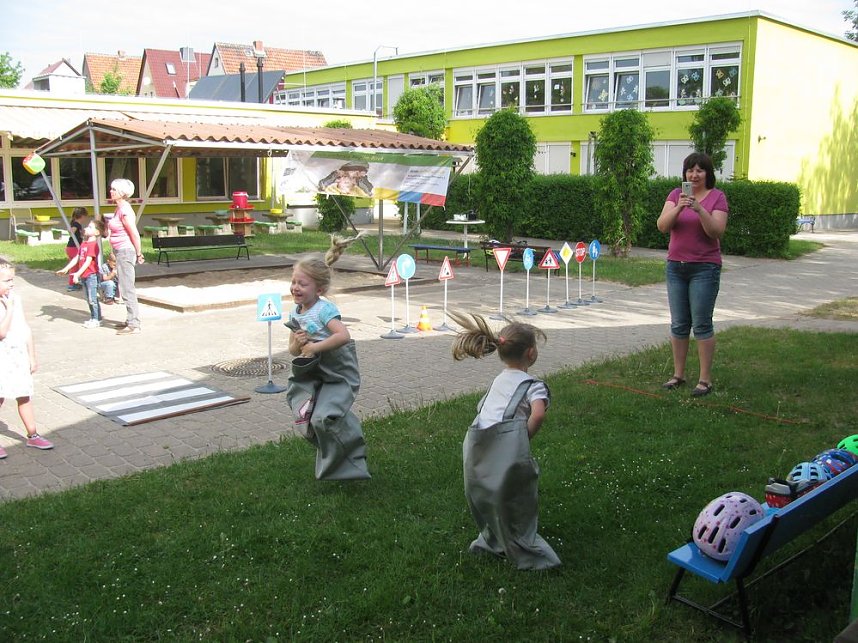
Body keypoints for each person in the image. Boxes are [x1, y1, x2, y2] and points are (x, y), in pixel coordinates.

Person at [449, 311, 561, 570]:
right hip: (506, 454)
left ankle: (492, 539)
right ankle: (526, 549)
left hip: (476, 451)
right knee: (517, 499)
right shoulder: (533, 385)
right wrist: (525, 438)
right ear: (531, 354)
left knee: (490, 499)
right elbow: (539, 413)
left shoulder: (498, 380)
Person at [284, 233, 370, 481]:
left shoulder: (324, 310)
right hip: (312, 374)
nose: (295, 288)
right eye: (293, 282)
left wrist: (315, 347)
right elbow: (292, 350)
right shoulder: (296, 312)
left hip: (337, 373)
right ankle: (337, 451)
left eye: (302, 283)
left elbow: (343, 336)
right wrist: (300, 344)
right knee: (307, 419)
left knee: (325, 418)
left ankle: (351, 463)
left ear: (319, 289)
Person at [656, 152, 729, 398]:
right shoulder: (676, 195)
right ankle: (678, 375)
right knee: (679, 324)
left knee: (701, 324)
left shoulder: (717, 197)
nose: (694, 175)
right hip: (676, 267)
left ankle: (705, 380)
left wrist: (699, 209)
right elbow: (662, 226)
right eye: (690, 170)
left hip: (704, 269)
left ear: (708, 174)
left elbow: (716, 231)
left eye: (699, 170)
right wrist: (679, 207)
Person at [0, 260, 54, 458]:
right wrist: (9, 308)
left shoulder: (15, 298)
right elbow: (2, 332)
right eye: (6, 281)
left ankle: (33, 435)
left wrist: (32, 356)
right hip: (2, 358)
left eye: (12, 280)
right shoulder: (8, 303)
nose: (11, 284)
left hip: (18, 356)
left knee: (24, 395)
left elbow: (24, 328)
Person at [104, 178, 144, 335]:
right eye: (111, 188)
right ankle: (129, 319)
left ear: (122, 193)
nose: (111, 191)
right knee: (123, 286)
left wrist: (139, 252)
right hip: (119, 250)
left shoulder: (125, 210)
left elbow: (134, 233)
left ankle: (134, 324)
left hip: (126, 251)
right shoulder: (118, 208)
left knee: (127, 288)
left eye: (114, 189)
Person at [56, 219, 105, 329]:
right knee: (89, 298)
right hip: (85, 275)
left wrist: (77, 273)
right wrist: (66, 269)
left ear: (97, 232)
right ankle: (95, 317)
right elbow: (77, 258)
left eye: (90, 227)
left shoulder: (93, 245)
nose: (86, 228)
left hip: (91, 275)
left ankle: (96, 319)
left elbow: (88, 261)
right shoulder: (84, 243)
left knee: (92, 299)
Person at [64, 207, 87, 291]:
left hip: (71, 247)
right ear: (82, 216)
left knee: (73, 265)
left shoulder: (75, 223)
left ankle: (74, 282)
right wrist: (72, 231)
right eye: (85, 216)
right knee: (75, 266)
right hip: (74, 247)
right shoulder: (76, 224)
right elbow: (72, 231)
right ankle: (73, 283)